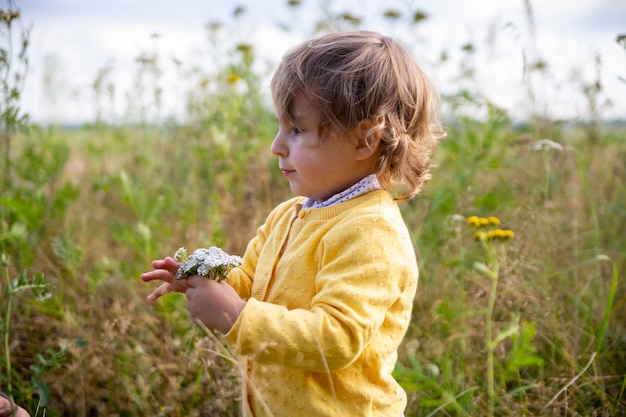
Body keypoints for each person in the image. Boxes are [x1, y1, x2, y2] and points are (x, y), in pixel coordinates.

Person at [141, 30, 444, 416]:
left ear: (365, 141)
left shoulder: (371, 232)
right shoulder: (290, 214)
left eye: (297, 130)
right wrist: (207, 279)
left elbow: (337, 339)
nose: (276, 145)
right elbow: (252, 283)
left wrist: (236, 316)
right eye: (281, 126)